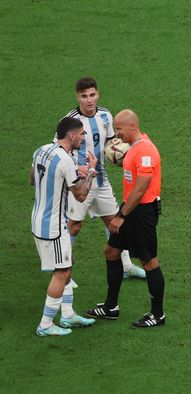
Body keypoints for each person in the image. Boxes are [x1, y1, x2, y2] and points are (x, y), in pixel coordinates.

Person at [56, 77, 146, 279]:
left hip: (100, 180)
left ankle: (126, 266)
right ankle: (63, 273)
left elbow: (110, 143)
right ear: (77, 97)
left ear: (98, 94)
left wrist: (118, 155)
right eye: (84, 96)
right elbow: (58, 150)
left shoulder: (105, 116)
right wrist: (75, 167)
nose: (88, 100)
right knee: (74, 226)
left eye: (92, 95)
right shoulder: (69, 121)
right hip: (78, 184)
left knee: (115, 222)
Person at [85, 110, 165, 328]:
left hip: (141, 212)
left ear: (132, 126)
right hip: (131, 208)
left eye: (119, 129)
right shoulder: (135, 148)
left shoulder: (146, 151)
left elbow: (141, 188)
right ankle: (111, 307)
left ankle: (157, 315)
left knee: (149, 262)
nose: (116, 134)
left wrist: (121, 216)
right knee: (111, 252)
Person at [31, 117, 98, 336]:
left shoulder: (41, 150)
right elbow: (80, 196)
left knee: (68, 263)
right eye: (81, 134)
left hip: (37, 220)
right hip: (54, 226)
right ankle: (46, 324)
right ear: (71, 136)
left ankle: (68, 314)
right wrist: (89, 173)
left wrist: (69, 173)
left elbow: (33, 178)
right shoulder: (65, 161)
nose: (82, 137)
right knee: (61, 272)